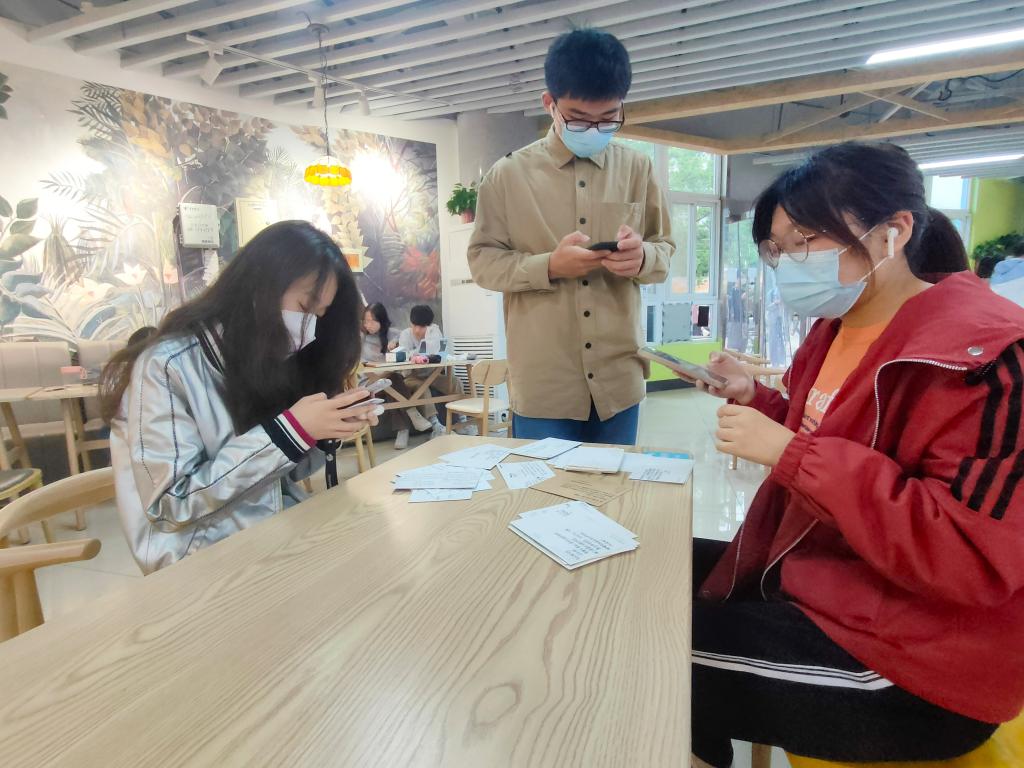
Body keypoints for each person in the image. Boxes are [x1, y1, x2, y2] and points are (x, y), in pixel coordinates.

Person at [680, 143, 1024, 768]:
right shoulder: (836, 328)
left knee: (652, 654)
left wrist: (791, 454)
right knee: (653, 569)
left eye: (807, 240)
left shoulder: (987, 358)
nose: (789, 263)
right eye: (777, 248)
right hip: (823, 585)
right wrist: (757, 398)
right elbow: (830, 434)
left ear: (894, 231)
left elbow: (968, 556)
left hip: (916, 665)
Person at [101, 221, 380, 575]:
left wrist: (321, 433)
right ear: (259, 284)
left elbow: (278, 478)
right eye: (305, 306)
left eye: (319, 316)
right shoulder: (167, 366)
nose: (309, 327)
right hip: (197, 562)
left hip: (269, 538)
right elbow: (172, 505)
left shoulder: (265, 357)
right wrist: (289, 432)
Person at [468, 28, 674, 446]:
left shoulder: (638, 169)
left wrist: (643, 259)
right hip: (545, 385)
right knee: (545, 489)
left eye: (608, 118)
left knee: (615, 486)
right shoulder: (507, 176)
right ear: (550, 103)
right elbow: (482, 263)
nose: (594, 129)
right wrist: (548, 266)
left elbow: (665, 249)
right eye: (579, 119)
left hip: (618, 381)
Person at [361, 302, 434, 449]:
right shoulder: (361, 339)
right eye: (366, 321)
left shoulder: (393, 334)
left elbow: (407, 337)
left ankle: (403, 431)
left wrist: (396, 343)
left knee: (392, 379)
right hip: (369, 382)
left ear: (382, 320)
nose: (368, 325)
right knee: (392, 379)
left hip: (389, 380)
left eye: (372, 321)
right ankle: (412, 413)